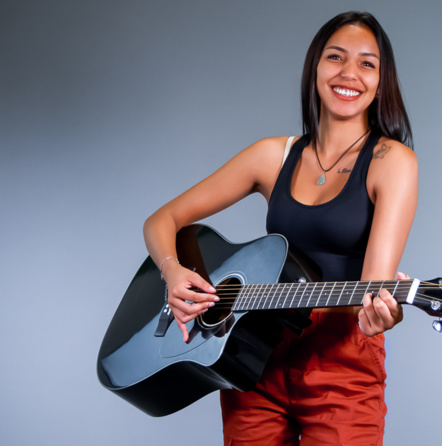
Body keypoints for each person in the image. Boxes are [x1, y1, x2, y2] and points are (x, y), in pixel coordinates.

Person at [143, 11, 418, 446]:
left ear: (382, 82)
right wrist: (173, 272)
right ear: (315, 68)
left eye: (367, 63)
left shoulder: (392, 162)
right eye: (336, 57)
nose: (349, 73)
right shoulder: (272, 156)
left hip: (341, 362)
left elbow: (372, 292)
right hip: (256, 358)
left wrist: (383, 315)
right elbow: (162, 220)